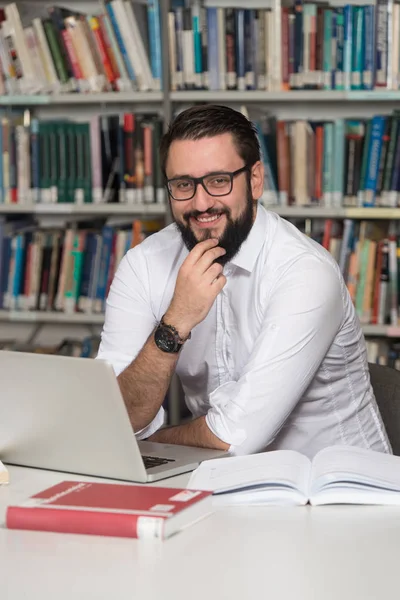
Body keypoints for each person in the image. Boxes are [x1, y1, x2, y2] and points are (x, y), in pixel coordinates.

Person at [96, 104, 391, 458]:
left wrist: (151, 446)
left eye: (219, 181)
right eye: (183, 185)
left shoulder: (304, 271)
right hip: (224, 484)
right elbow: (116, 419)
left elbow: (236, 436)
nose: (201, 203)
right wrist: (174, 324)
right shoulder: (144, 265)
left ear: (254, 180)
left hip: (340, 491)